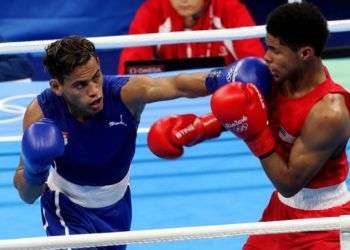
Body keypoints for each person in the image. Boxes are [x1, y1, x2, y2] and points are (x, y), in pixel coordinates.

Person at [12, 35, 271, 249]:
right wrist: (36, 169)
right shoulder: (41, 113)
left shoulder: (125, 94)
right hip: (65, 206)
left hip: (117, 205)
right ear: (57, 86)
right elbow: (26, 194)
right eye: (80, 85)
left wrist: (222, 78)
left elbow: (176, 85)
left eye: (96, 77)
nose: (94, 90)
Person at [148, 2, 350, 249]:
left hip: (326, 224)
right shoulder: (275, 75)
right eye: (268, 47)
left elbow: (288, 183)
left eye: (276, 50)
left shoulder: (329, 112)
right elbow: (218, 95)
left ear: (305, 53)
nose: (266, 56)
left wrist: (254, 134)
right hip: (282, 212)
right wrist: (200, 128)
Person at [117, 0, 265, 74]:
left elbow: (256, 70)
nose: (183, 0)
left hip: (224, 102)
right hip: (165, 102)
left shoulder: (230, 9)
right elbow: (127, 73)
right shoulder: (151, 11)